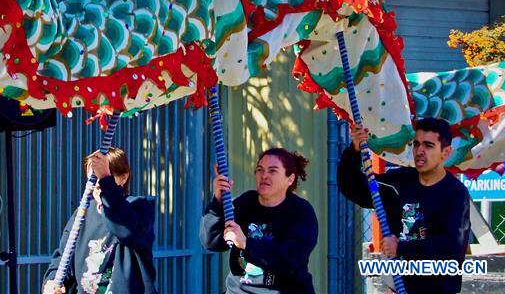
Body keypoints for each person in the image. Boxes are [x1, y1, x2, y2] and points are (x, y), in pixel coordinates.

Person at [338, 117, 471, 294]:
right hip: (399, 288)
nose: (420, 151)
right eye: (416, 144)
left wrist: (401, 248)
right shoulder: (398, 183)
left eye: (428, 146)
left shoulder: (455, 193)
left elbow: (452, 247)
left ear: (445, 153)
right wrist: (354, 150)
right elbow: (355, 187)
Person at [199, 148, 318, 294]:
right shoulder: (245, 203)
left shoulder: (301, 212)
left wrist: (246, 244)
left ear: (290, 179)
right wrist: (217, 202)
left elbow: (290, 258)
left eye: (272, 171)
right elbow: (211, 242)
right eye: (260, 170)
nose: (264, 176)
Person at [42, 148, 157, 294]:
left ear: (123, 177)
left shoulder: (138, 207)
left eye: (101, 177)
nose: (97, 183)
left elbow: (127, 231)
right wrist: (52, 282)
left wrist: (106, 181)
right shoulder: (81, 214)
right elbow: (62, 259)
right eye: (92, 177)